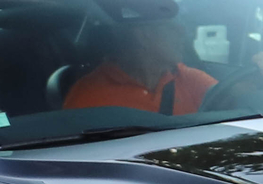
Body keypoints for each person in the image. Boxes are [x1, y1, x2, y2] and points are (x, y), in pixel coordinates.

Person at [64, 17, 214, 115]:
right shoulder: (90, 95)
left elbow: (234, 100)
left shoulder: (190, 78)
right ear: (143, 36)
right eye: (171, 27)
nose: (183, 33)